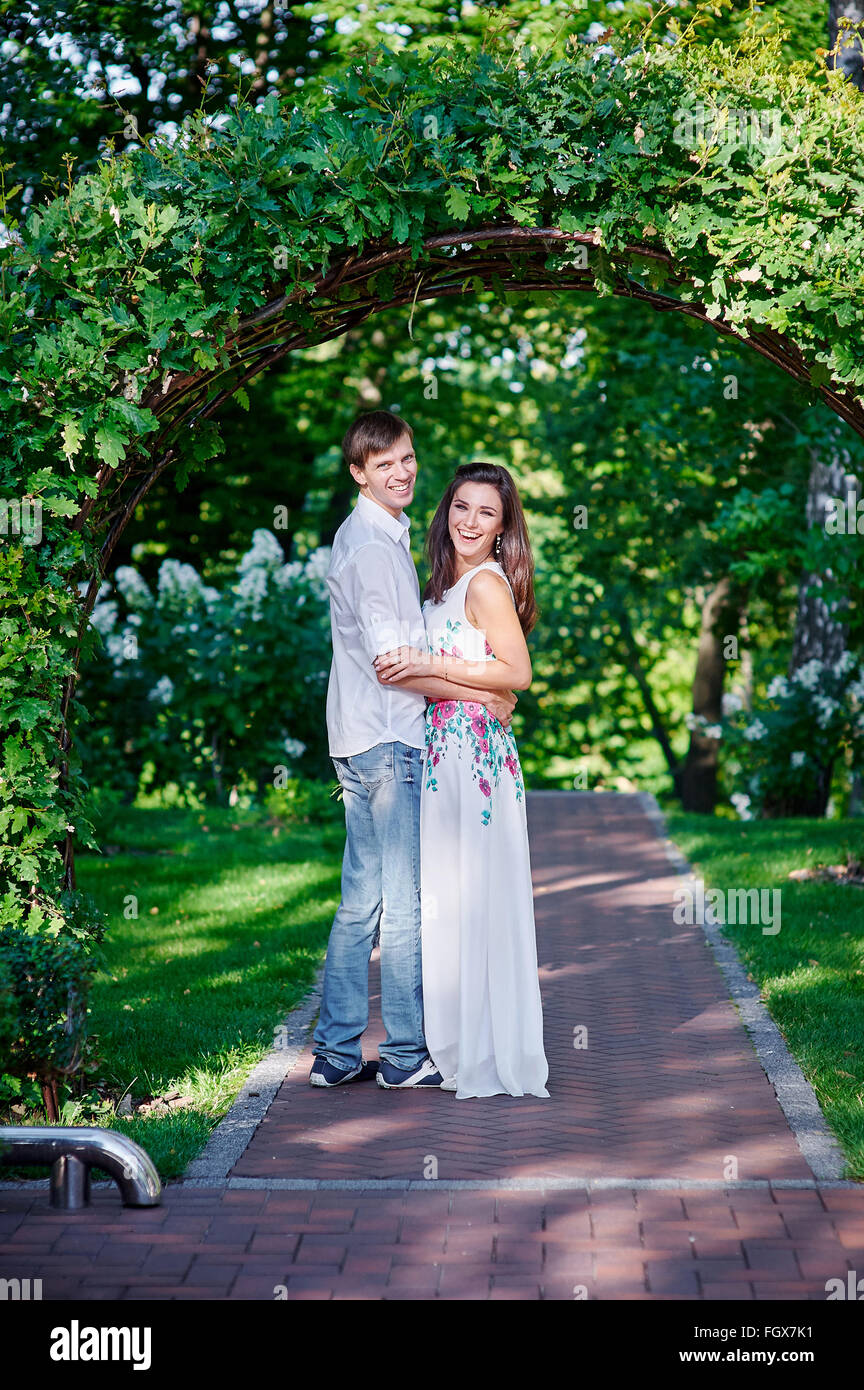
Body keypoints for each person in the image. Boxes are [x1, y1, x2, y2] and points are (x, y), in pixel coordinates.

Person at [310, 413, 518, 1089]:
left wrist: (471, 685)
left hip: (364, 735)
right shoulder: (373, 548)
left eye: (407, 459)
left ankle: (337, 1055)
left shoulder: (378, 539)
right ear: (358, 474)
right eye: (384, 464)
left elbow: (411, 658)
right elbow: (393, 663)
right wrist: (479, 690)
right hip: (388, 739)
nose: (401, 472)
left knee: (361, 901)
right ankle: (402, 1057)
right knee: (401, 904)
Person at [374, 462, 549, 1099]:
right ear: (446, 511)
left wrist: (432, 666)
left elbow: (518, 672)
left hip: (474, 760)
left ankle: (485, 1052)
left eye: (486, 514)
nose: (469, 522)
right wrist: (448, 677)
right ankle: (455, 1046)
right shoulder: (442, 584)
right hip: (445, 746)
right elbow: (402, 676)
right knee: (448, 899)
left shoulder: (485, 585)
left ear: (504, 530)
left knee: (478, 896)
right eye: (461, 507)